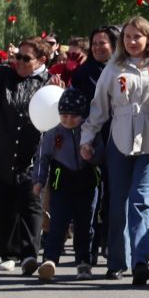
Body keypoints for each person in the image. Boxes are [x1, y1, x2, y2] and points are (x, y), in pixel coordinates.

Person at [81, 15, 149, 286]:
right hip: (120, 139)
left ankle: (141, 261)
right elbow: (98, 108)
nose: (131, 41)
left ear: (148, 38)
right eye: (127, 37)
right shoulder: (113, 69)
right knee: (118, 203)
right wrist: (87, 138)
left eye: (137, 36)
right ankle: (117, 261)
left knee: (141, 199)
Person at [0, 16, 51, 273]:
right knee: (5, 205)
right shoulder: (2, 75)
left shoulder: (48, 83)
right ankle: (8, 253)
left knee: (30, 204)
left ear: (41, 61)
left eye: (26, 59)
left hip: (31, 156)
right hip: (2, 152)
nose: (20, 62)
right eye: (19, 57)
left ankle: (29, 253)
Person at [37, 86, 102, 280]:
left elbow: (101, 156)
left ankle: (83, 262)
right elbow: (42, 158)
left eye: (73, 116)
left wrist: (92, 155)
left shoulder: (90, 132)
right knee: (58, 223)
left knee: (85, 224)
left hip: (87, 183)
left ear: (82, 115)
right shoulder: (52, 133)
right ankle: (50, 260)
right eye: (64, 116)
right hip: (61, 184)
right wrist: (39, 180)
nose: (68, 120)